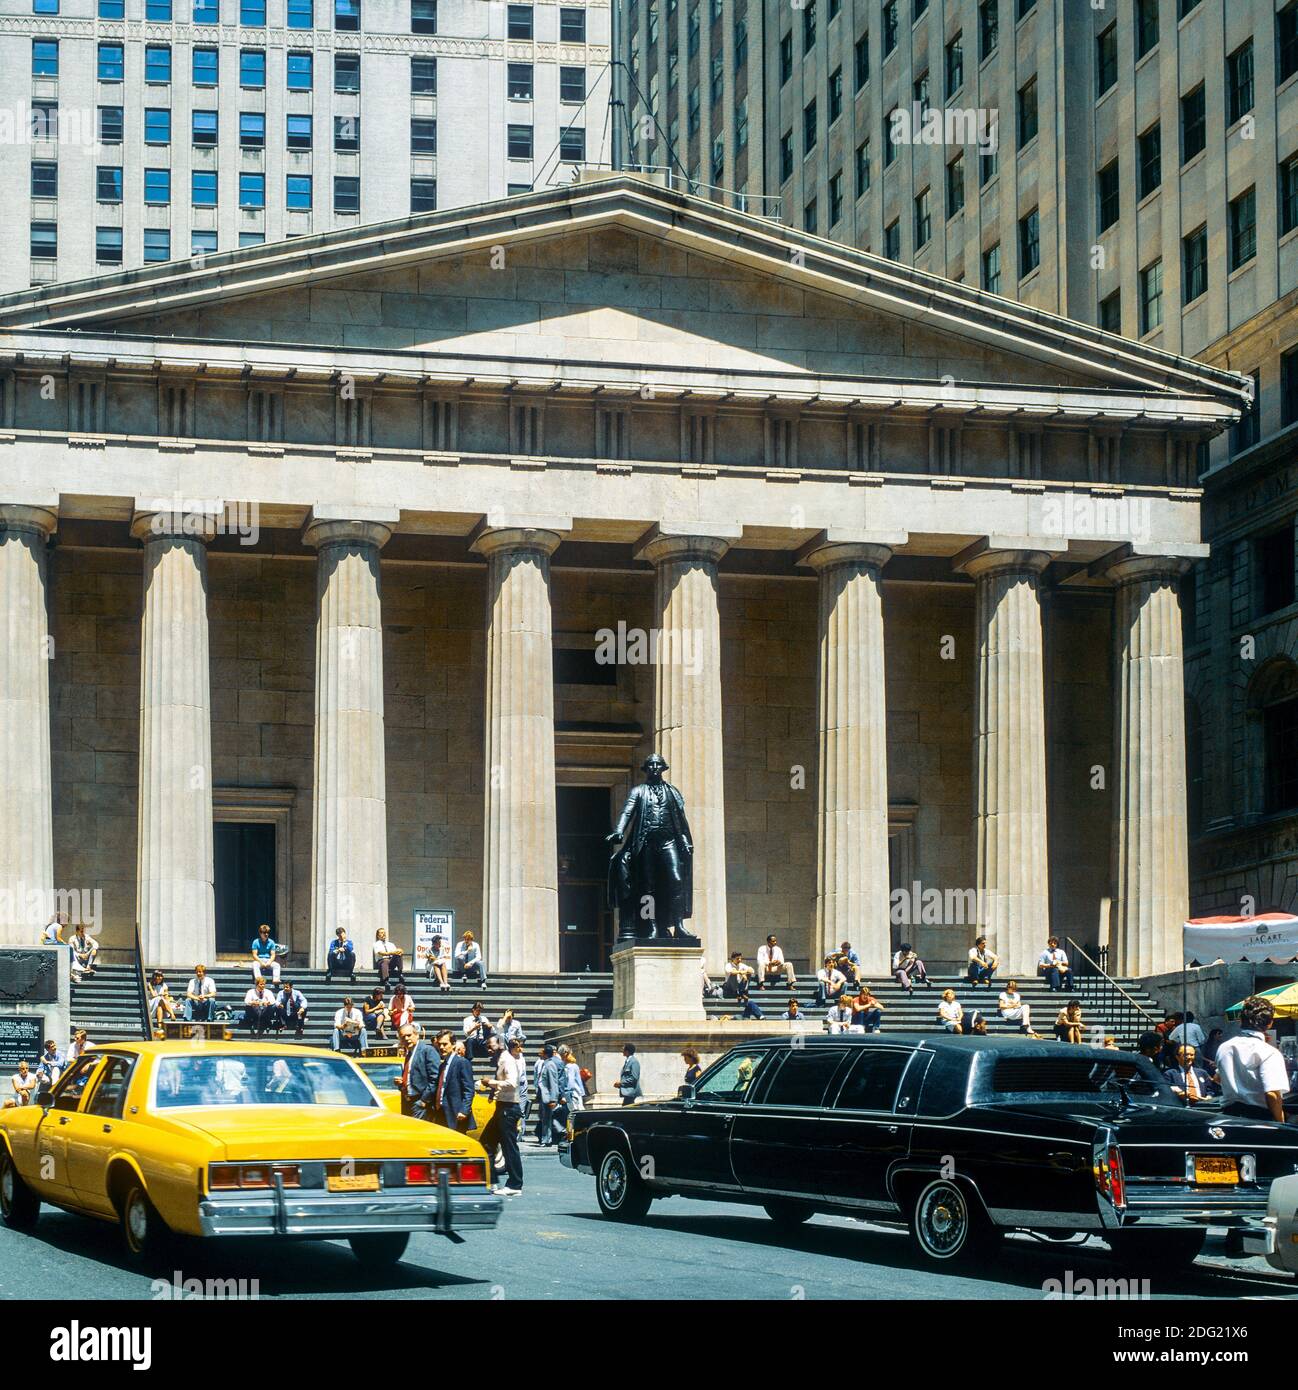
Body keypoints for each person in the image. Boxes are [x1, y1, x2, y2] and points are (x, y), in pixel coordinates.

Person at [1213, 995, 1291, 1122]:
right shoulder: (1269, 1052)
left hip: (1228, 1117)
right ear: (1270, 1023)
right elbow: (1272, 1094)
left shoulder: (1225, 1047)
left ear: (1240, 1021)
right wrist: (1280, 1124)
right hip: (1259, 1119)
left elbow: (1217, 1078)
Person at [485, 1036, 526, 1194]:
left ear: (501, 1045)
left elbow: (512, 1082)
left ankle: (515, 1185)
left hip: (509, 1108)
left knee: (509, 1148)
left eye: (491, 1045)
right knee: (487, 1143)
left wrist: (491, 1083)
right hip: (502, 1107)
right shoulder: (502, 1058)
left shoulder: (507, 1059)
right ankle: (492, 1181)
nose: (489, 1049)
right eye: (488, 1046)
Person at [429, 1028, 476, 1133]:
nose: (441, 1047)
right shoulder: (442, 1065)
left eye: (445, 1044)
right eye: (439, 1044)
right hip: (441, 1113)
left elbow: (469, 1089)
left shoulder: (462, 1063)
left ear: (453, 1044)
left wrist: (464, 1110)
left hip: (456, 1114)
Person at [400, 1022, 440, 1120]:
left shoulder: (427, 1051)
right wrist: (402, 1083)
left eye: (409, 1035)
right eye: (402, 1037)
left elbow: (435, 1078)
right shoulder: (409, 1054)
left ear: (417, 1035)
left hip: (421, 1102)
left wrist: (424, 1100)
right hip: (408, 1101)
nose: (406, 1039)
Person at [534, 1043, 564, 1143]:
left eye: (542, 1053)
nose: (540, 1054)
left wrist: (553, 1099)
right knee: (545, 1118)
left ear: (546, 1054)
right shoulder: (545, 1063)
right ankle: (545, 1138)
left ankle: (547, 1139)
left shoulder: (550, 1065)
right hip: (544, 1095)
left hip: (548, 1096)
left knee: (547, 1119)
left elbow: (553, 1082)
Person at [560, 1044, 585, 1117]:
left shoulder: (568, 1067)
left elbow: (570, 1082)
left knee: (573, 1114)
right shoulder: (575, 1065)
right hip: (577, 1093)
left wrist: (566, 1095)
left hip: (572, 1094)